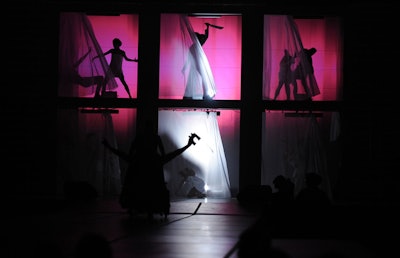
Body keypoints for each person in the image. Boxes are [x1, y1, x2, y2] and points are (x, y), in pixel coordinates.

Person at [102, 120, 200, 220]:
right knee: (150, 185)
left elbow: (128, 153)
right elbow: (165, 154)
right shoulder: (154, 140)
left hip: (141, 162)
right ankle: (148, 207)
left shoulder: (141, 140)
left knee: (140, 185)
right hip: (151, 162)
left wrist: (110, 147)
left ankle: (139, 206)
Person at [182, 22, 222, 100]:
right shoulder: (193, 47)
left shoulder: (197, 45)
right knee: (195, 79)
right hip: (196, 66)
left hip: (198, 65)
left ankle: (205, 94)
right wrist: (184, 67)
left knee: (202, 78)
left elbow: (205, 37)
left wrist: (207, 28)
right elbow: (188, 59)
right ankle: (195, 94)